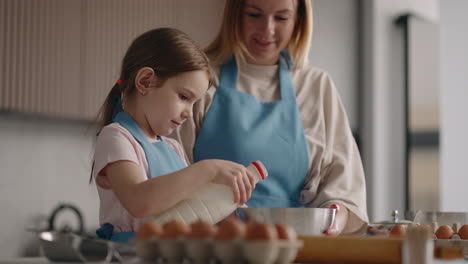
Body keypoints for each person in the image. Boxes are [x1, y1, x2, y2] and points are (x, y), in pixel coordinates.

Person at [171, 0, 369, 235]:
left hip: (296, 244)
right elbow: (168, 174)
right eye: (254, 15)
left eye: (281, 18)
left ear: (299, 21)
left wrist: (336, 214)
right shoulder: (201, 80)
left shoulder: (315, 86)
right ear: (235, 15)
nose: (267, 30)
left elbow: (342, 186)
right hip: (213, 244)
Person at [91, 28, 256, 243]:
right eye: (184, 96)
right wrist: (208, 169)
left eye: (195, 103)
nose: (189, 112)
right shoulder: (116, 137)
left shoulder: (173, 148)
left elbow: (190, 211)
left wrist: (226, 206)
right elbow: (139, 201)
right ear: (145, 81)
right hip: (131, 255)